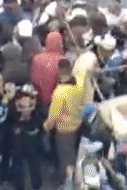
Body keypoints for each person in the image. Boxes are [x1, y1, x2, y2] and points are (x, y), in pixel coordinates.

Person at [43, 58, 84, 186]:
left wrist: (45, 128)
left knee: (66, 161)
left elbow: (53, 117)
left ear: (59, 71)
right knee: (74, 156)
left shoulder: (59, 93)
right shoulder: (80, 83)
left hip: (64, 131)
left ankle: (67, 185)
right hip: (78, 125)